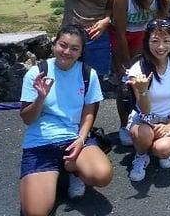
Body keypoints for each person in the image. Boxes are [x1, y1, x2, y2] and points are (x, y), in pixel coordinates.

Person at [19, 25, 112, 216]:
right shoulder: (37, 73)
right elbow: (27, 119)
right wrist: (40, 99)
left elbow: (89, 113)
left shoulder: (87, 74)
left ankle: (73, 170)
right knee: (35, 212)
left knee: (102, 175)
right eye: (63, 45)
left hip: (73, 138)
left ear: (81, 52)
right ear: (54, 44)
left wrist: (81, 139)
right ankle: (60, 170)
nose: (67, 52)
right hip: (41, 143)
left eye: (74, 48)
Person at [111, 0, 170, 146]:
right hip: (124, 39)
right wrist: (127, 62)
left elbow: (161, 28)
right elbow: (120, 32)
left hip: (146, 39)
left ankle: (149, 120)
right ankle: (125, 125)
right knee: (125, 85)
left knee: (148, 82)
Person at [126, 19, 170, 181]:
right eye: (155, 41)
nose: (160, 47)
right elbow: (145, 110)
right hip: (144, 120)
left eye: (166, 41)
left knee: (162, 149)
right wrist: (143, 91)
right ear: (147, 42)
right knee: (143, 135)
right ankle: (141, 155)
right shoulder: (138, 70)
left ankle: (159, 149)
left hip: (169, 119)